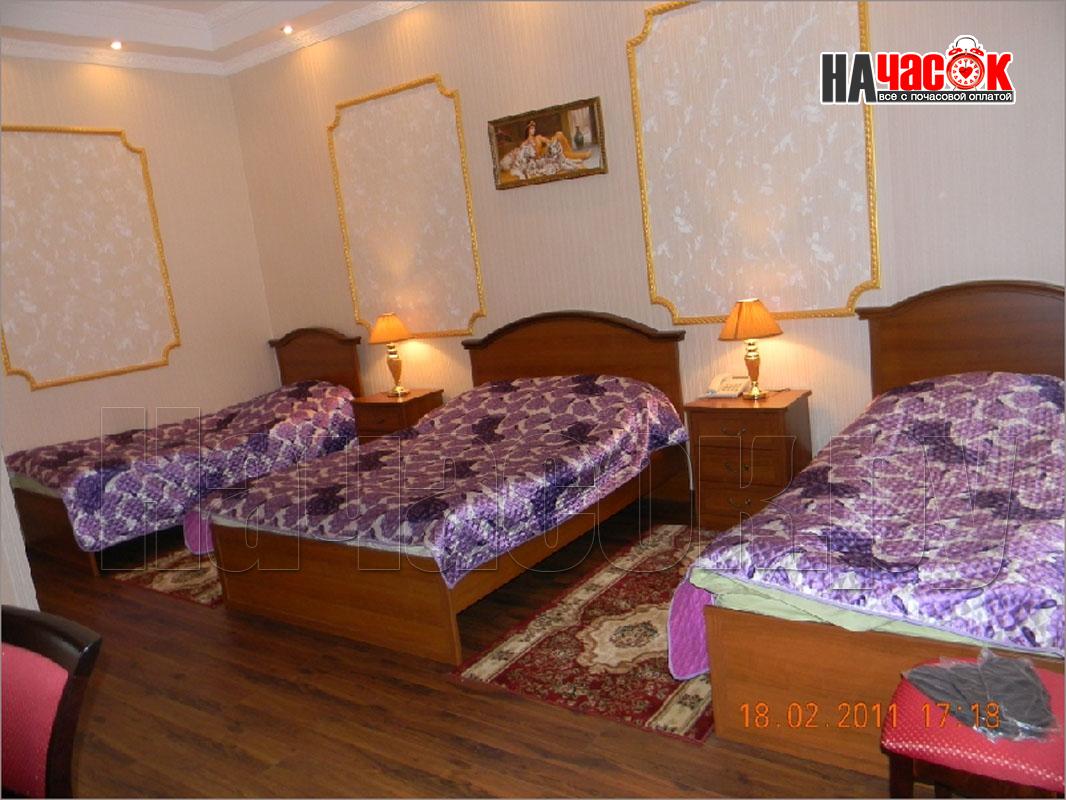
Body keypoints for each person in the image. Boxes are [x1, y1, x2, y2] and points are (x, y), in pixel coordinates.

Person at [498, 119, 592, 180]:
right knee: (561, 152)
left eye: (534, 128)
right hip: (541, 159)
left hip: (546, 152)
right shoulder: (524, 143)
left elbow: (548, 142)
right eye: (531, 128)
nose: (533, 130)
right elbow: (523, 157)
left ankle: (581, 155)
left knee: (559, 135)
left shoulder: (538, 137)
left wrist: (551, 142)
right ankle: (583, 155)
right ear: (527, 130)